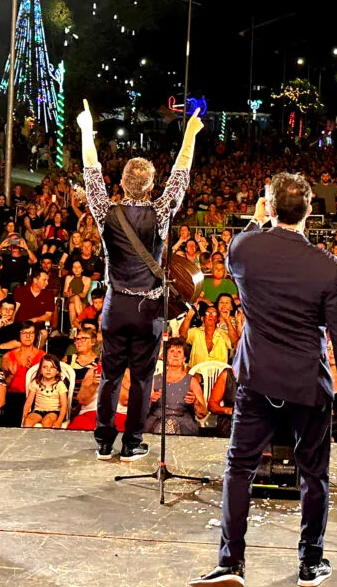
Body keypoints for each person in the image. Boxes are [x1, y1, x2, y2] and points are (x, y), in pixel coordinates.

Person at [190, 173, 337, 587]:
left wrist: (255, 219)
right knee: (313, 474)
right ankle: (310, 563)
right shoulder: (328, 267)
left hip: (257, 379)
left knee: (239, 468)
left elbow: (238, 246)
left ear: (268, 207)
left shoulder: (244, 248)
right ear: (309, 211)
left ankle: (231, 563)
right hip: (307, 383)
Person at [79, 98, 200, 463]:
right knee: (143, 378)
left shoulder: (106, 210)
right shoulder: (160, 213)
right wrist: (190, 134)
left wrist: (86, 130)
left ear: (121, 183)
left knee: (110, 376)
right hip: (149, 309)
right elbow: (180, 174)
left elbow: (91, 171)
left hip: (115, 305)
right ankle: (132, 443)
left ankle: (104, 442)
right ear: (150, 187)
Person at [145, 336, 207, 435]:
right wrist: (150, 400)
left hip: (183, 425)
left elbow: (202, 414)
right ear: (165, 356)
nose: (175, 355)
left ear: (184, 358)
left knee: (171, 424)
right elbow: (142, 411)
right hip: (157, 422)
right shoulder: (154, 380)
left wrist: (195, 402)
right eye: (172, 351)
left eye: (179, 352)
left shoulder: (192, 381)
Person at [22, 353, 68, 428]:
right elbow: (29, 401)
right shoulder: (36, 383)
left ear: (57, 371)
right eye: (45, 367)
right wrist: (24, 416)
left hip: (53, 412)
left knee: (47, 421)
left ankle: (45, 436)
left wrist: (59, 420)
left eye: (52, 367)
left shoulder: (60, 385)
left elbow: (64, 405)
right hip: (38, 411)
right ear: (40, 370)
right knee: (28, 421)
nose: (48, 370)